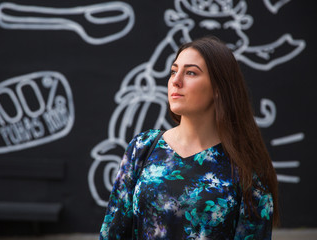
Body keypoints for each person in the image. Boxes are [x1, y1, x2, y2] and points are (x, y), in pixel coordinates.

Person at [99, 36, 279, 239]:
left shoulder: (246, 168)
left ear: (219, 88)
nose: (176, 81)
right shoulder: (143, 148)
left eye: (191, 73)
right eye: (174, 71)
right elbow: (112, 232)